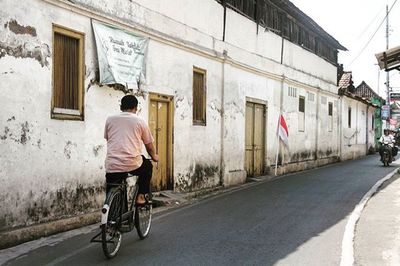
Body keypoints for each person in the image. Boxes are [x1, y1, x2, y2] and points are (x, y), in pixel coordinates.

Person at [104, 95, 159, 204]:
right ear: (136, 107)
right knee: (147, 166)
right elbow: (149, 145)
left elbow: (108, 138)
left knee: (112, 184)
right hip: (133, 163)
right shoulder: (139, 121)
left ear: (121, 107)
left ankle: (110, 207)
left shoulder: (110, 119)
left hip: (112, 163)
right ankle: (141, 196)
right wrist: (154, 156)